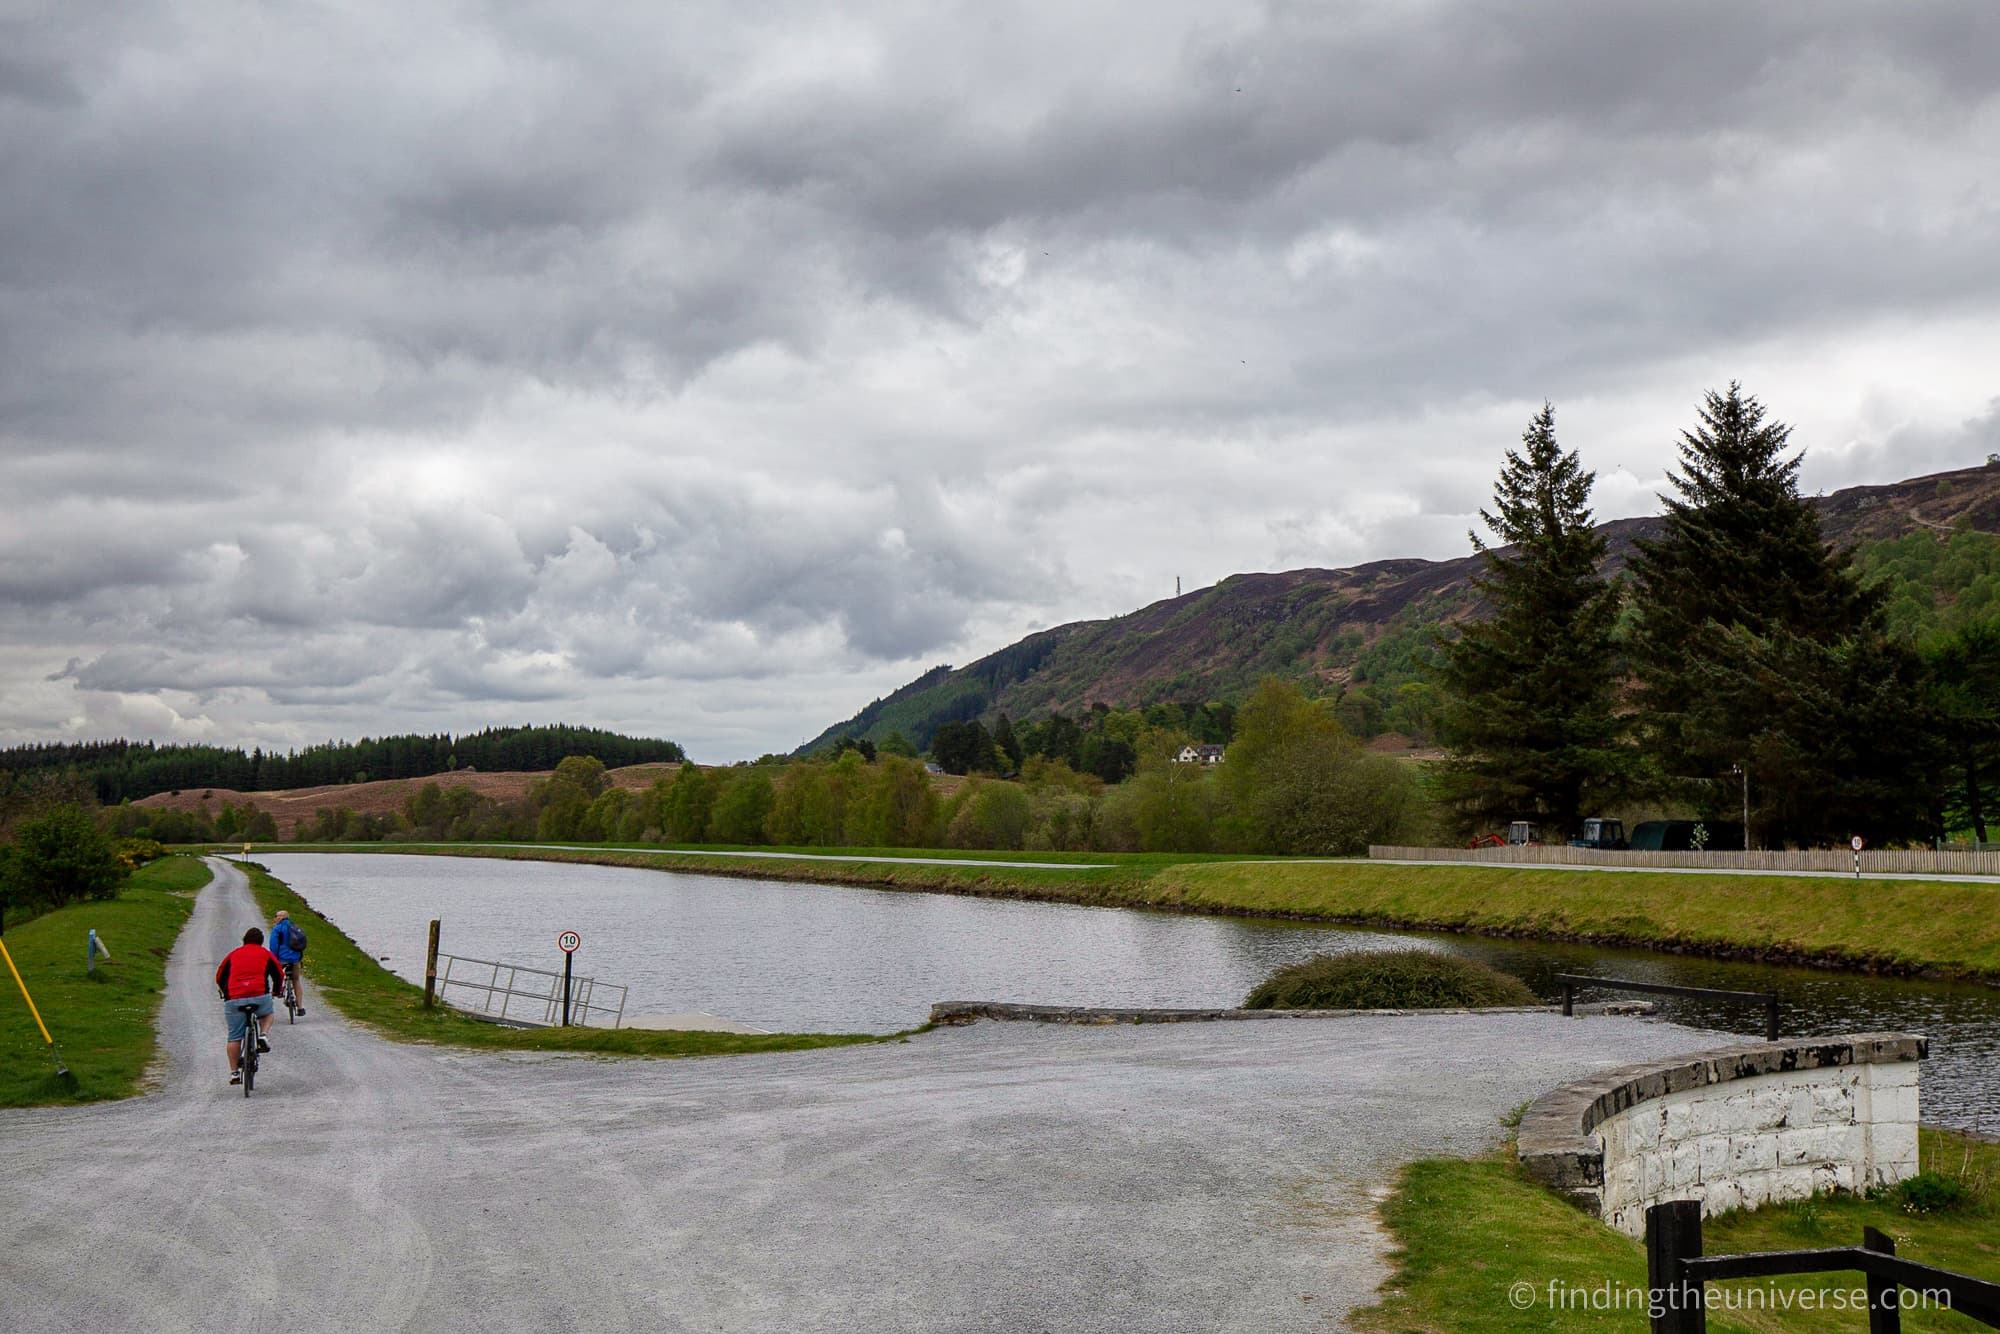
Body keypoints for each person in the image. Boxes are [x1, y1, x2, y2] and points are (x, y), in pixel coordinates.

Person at [215, 926, 283, 1086]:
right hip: (259, 995)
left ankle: (234, 1073)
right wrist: (276, 991)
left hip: (234, 998)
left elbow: (220, 976)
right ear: (261, 942)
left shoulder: (233, 954)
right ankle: (263, 1035)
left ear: (244, 940)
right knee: (267, 1014)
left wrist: (226, 992)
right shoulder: (265, 954)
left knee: (234, 1037)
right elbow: (279, 974)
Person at [268, 909, 306, 1017]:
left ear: (280, 918)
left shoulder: (277, 929)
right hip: (295, 959)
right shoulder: (295, 927)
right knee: (296, 980)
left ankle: (278, 991)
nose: (275, 918)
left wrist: (274, 959)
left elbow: (273, 946)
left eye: (276, 916)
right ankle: (300, 1007)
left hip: (282, 959)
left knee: (277, 976)